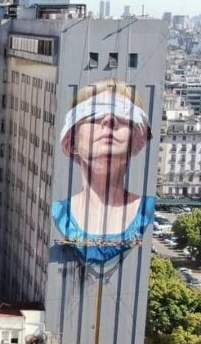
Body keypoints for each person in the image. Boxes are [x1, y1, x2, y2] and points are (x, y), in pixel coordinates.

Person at [51, 78, 155, 263]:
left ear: (137, 139)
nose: (109, 120)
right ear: (71, 138)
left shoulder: (148, 210)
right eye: (93, 114)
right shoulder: (57, 212)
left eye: (124, 114)